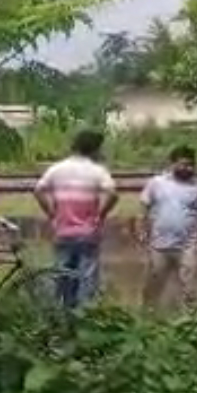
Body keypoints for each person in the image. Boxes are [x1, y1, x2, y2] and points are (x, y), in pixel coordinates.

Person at [34, 130, 119, 309]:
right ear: (95, 149)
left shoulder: (57, 168)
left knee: (62, 275)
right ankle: (83, 316)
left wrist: (51, 213)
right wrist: (100, 214)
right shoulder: (97, 171)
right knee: (86, 278)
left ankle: (61, 315)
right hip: (88, 232)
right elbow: (112, 193)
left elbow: (38, 190)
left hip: (62, 231)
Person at [138, 145, 197, 311]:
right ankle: (147, 318)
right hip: (159, 244)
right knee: (154, 283)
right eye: (183, 164)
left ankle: (190, 320)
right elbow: (144, 205)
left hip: (188, 245)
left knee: (188, 286)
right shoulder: (157, 183)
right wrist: (142, 229)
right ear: (172, 164)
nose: (187, 168)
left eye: (191, 165)